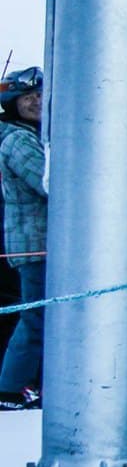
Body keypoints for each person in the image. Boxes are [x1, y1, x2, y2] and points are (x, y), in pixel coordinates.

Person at [0, 68, 47, 409]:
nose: (35, 102)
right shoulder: (19, 140)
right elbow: (47, 181)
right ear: (12, 104)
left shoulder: (37, 135)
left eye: (40, 95)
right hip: (35, 245)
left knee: (46, 317)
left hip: (45, 245)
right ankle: (9, 389)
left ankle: (35, 383)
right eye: (27, 98)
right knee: (36, 319)